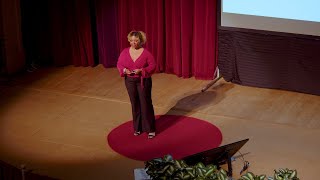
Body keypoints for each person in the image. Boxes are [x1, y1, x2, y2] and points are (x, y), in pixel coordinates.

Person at [117, 30, 156, 139]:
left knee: (145, 104)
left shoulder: (146, 53)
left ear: (141, 41)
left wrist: (142, 70)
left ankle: (150, 129)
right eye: (131, 41)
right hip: (130, 81)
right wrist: (125, 70)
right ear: (129, 41)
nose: (133, 43)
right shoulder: (125, 52)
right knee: (135, 104)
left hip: (143, 81)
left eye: (136, 41)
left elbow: (153, 66)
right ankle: (137, 128)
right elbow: (119, 64)